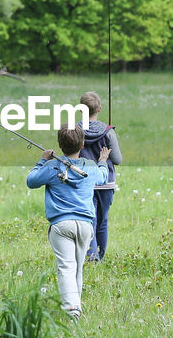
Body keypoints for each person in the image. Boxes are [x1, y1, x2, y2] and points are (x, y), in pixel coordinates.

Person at [26, 125, 110, 319]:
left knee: (66, 267)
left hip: (62, 225)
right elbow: (103, 177)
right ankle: (76, 306)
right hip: (85, 226)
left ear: (60, 145)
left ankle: (72, 310)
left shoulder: (53, 166)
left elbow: (31, 181)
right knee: (78, 268)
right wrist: (103, 161)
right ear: (82, 144)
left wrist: (43, 160)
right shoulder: (90, 167)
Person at [79, 90, 122, 261]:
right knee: (102, 221)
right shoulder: (108, 132)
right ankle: (100, 256)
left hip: (84, 182)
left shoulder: (75, 130)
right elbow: (117, 159)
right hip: (106, 183)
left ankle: (91, 255)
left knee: (90, 220)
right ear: (100, 109)